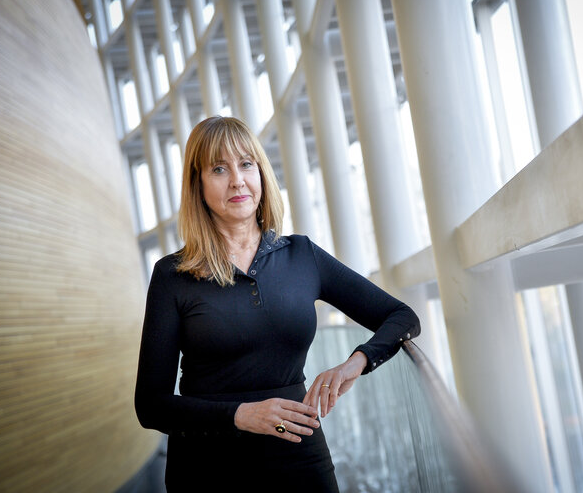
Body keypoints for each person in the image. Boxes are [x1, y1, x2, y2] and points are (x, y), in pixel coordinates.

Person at [134, 116, 420, 491]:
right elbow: (150, 405)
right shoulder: (173, 275)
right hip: (207, 466)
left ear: (261, 174)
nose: (237, 179)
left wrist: (355, 363)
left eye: (246, 164)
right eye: (219, 168)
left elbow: (402, 316)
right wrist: (242, 415)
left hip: (297, 451)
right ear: (198, 185)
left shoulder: (302, 255)